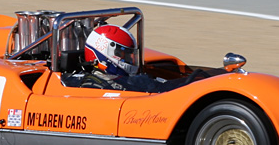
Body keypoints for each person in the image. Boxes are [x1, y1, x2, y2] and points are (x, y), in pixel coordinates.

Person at [62, 24, 208, 93]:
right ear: (104, 52)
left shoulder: (130, 80)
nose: (130, 60)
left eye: (131, 54)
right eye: (124, 54)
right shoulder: (93, 85)